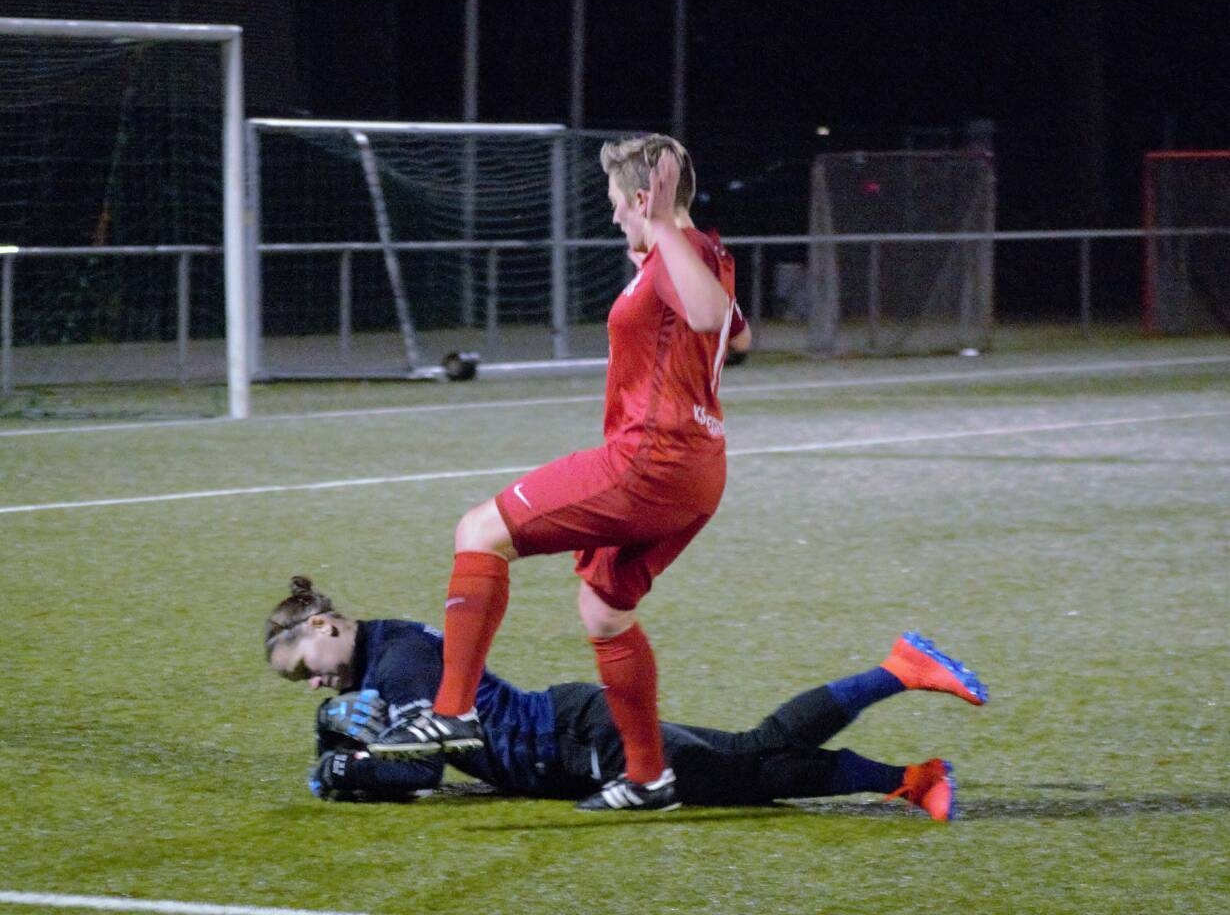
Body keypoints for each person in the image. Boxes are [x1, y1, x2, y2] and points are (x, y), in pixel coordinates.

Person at [371, 134, 752, 811]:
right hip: (698, 470)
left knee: (479, 531)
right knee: (604, 613)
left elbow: (709, 316)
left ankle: (452, 711)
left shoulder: (680, 248)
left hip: (649, 461)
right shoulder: (703, 253)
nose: (613, 214)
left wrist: (661, 232)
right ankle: (648, 777)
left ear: (645, 199)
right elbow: (739, 337)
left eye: (617, 202)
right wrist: (657, 251)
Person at [264, 576, 988, 818]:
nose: (316, 684)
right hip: (577, 730)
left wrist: (340, 767)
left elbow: (420, 769)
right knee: (751, 760)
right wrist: (335, 736)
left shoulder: (399, 662)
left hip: (581, 741)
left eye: (306, 671)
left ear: (322, 626)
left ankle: (900, 678)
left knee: (755, 764)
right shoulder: (389, 649)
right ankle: (911, 775)